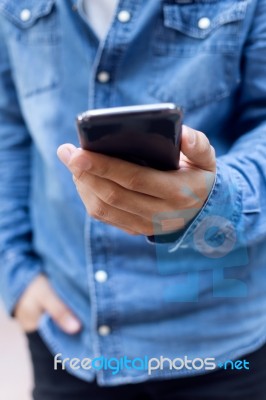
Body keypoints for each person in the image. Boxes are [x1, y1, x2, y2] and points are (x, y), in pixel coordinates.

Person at [0, 0, 266, 399]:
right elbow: (9, 123)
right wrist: (15, 273)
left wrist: (217, 195)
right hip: (70, 333)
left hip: (218, 338)